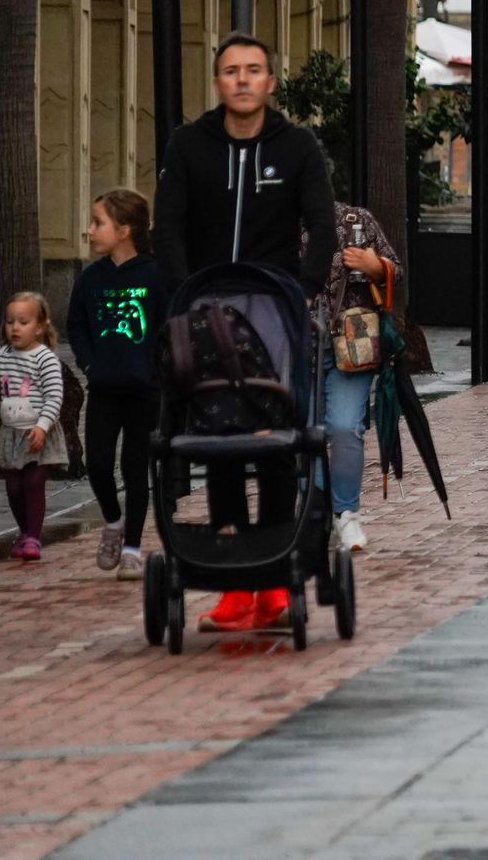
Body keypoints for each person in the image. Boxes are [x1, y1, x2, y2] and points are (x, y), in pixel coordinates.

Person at [154, 31, 335, 632]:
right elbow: (170, 224)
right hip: (204, 310)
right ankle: (234, 578)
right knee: (218, 432)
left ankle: (276, 581)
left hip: (274, 307)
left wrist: (302, 290)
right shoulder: (189, 145)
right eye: (230, 70)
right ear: (217, 82)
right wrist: (185, 296)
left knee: (276, 435)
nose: (241, 79)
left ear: (270, 82)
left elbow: (321, 223)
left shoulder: (298, 145)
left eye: (253, 70)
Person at [68, 188, 163, 580]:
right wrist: (91, 365)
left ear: (124, 230)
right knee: (99, 464)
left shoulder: (156, 273)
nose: (90, 230)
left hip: (144, 390)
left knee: (136, 469)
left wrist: (156, 369)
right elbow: (76, 325)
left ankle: (132, 548)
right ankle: (112, 520)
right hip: (104, 388)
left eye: (98, 222)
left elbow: (167, 323)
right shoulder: (92, 277)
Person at [312, 199, 402, 552]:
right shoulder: (277, 219)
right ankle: (315, 512)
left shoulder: (354, 219)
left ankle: (345, 513)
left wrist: (374, 266)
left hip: (353, 342)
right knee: (305, 431)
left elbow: (396, 268)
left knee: (346, 426)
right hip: (297, 341)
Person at [0, 293, 67, 562]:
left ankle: (33, 536)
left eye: (23, 322)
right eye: (10, 321)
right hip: (10, 432)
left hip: (36, 432)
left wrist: (43, 426)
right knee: (13, 487)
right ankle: (23, 531)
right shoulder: (3, 355)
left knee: (33, 483)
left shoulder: (44, 358)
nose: (15, 327)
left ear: (39, 327)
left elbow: (54, 395)